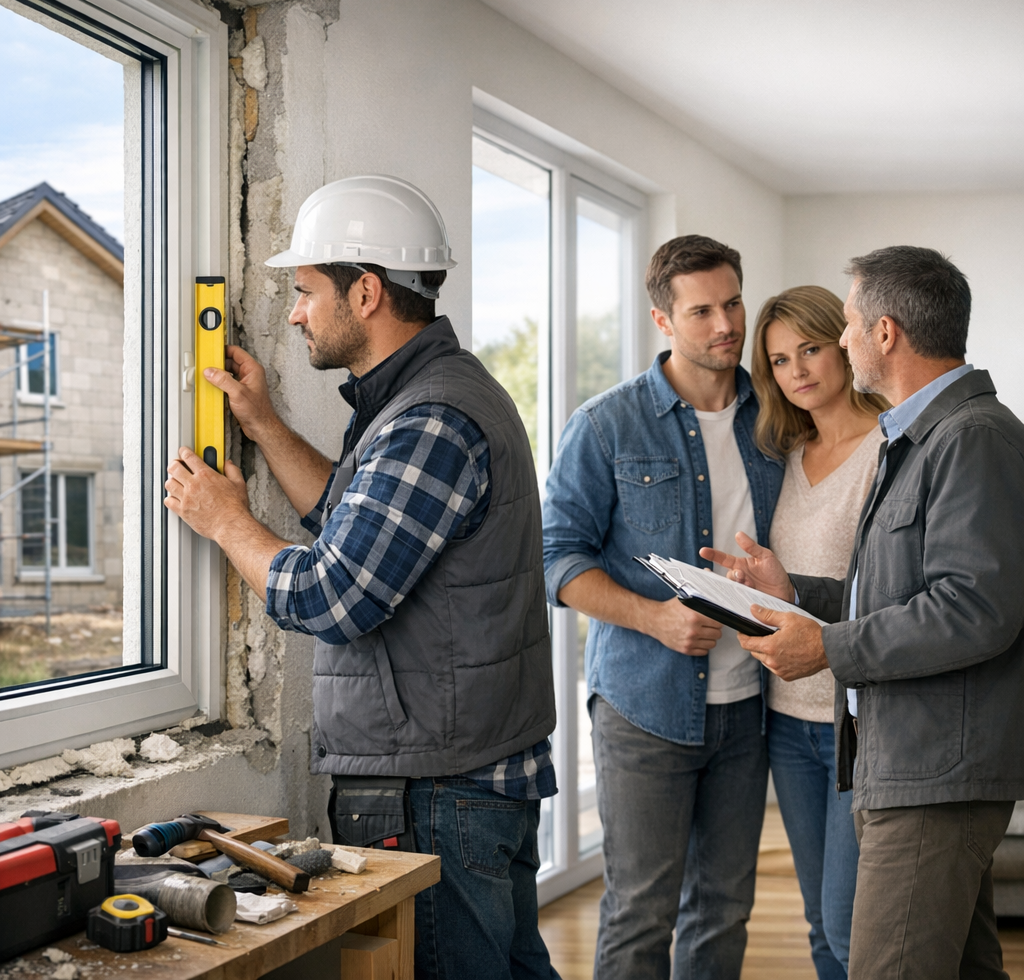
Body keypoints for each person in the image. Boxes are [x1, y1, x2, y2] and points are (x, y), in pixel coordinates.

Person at [163, 175, 560, 980]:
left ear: (368, 292)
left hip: (437, 788)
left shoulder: (431, 420)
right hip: (467, 774)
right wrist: (264, 427)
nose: (296, 312)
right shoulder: (423, 398)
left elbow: (332, 593)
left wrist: (224, 520)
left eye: (306, 291)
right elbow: (359, 524)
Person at [703, 246, 1024, 980]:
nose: (840, 342)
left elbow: (976, 608)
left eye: (844, 325)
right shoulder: (924, 438)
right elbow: (899, 589)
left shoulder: (970, 438)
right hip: (914, 758)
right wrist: (798, 598)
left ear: (884, 334)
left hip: (933, 766)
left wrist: (829, 649)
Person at [543, 235, 784, 980]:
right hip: (643, 708)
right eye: (702, 310)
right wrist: (654, 617)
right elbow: (556, 560)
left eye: (734, 302)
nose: (726, 325)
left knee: (722, 909)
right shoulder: (606, 425)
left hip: (748, 706)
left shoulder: (776, 420)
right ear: (662, 319)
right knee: (640, 911)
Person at [750, 286, 888, 978]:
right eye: (778, 360)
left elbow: (891, 593)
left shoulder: (892, 447)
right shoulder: (786, 454)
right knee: (818, 924)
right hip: (787, 720)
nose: (797, 370)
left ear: (844, 341)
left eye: (809, 348)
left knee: (848, 920)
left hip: (856, 721)